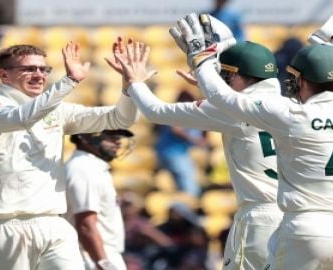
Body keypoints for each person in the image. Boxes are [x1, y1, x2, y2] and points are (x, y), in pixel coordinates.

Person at [171, 13, 333, 269]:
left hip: (307, 228)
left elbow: (224, 99)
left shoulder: (293, 115)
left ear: (302, 80)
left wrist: (202, 60)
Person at [107, 37, 283, 269]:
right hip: (291, 217)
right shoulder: (292, 107)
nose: (225, 83)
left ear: (240, 76)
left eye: (227, 76)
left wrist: (135, 82)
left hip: (258, 219)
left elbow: (155, 111)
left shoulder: (231, 111)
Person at [0, 42, 139, 270]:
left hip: (53, 224)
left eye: (43, 69)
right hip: (3, 225)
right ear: (3, 74)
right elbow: (21, 118)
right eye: (28, 69)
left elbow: (120, 119)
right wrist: (69, 81)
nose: (38, 75)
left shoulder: (58, 110)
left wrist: (131, 85)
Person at [64, 129, 135, 270]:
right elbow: (85, 224)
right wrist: (103, 263)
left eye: (119, 137)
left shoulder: (92, 166)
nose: (118, 141)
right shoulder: (83, 168)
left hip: (97, 254)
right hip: (90, 257)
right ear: (85, 137)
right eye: (111, 136)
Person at [154, 89, 208, 197]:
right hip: (172, 152)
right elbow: (177, 130)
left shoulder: (177, 111)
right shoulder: (177, 111)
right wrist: (195, 140)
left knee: (179, 180)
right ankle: (190, 201)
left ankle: (184, 201)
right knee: (188, 178)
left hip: (170, 151)